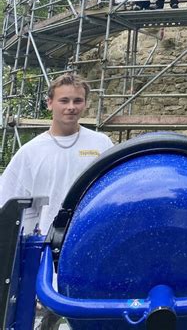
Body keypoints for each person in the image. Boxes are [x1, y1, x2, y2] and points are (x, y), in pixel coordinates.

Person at [0, 73, 113, 329]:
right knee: (43, 320)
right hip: (45, 254)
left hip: (91, 244)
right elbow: (8, 201)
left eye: (77, 100)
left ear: (85, 103)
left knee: (90, 317)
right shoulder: (31, 152)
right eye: (64, 100)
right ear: (49, 103)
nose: (71, 107)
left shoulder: (101, 144)